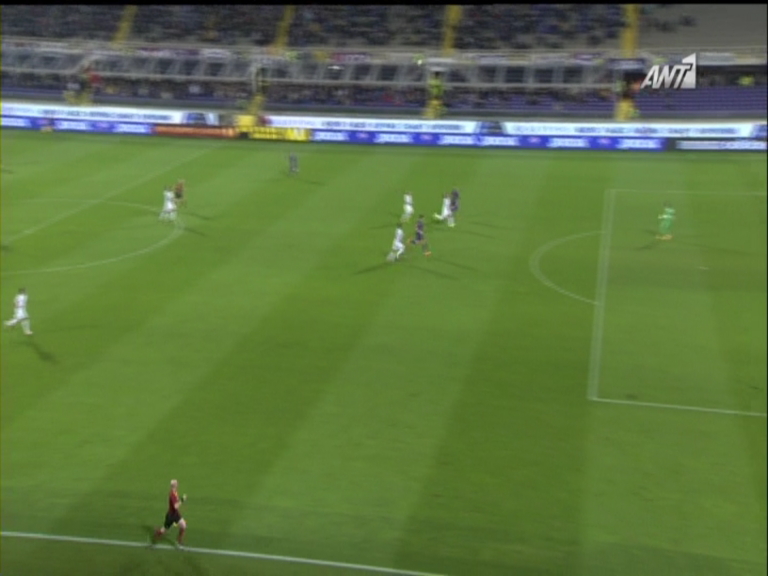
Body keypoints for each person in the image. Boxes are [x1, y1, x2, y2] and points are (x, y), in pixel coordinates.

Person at [151, 479, 187, 548]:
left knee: (183, 526)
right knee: (164, 530)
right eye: (176, 483)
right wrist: (182, 500)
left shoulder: (175, 492)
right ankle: (156, 535)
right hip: (171, 516)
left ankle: (179, 540)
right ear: (174, 485)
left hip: (176, 514)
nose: (178, 484)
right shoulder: (172, 494)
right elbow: (176, 506)